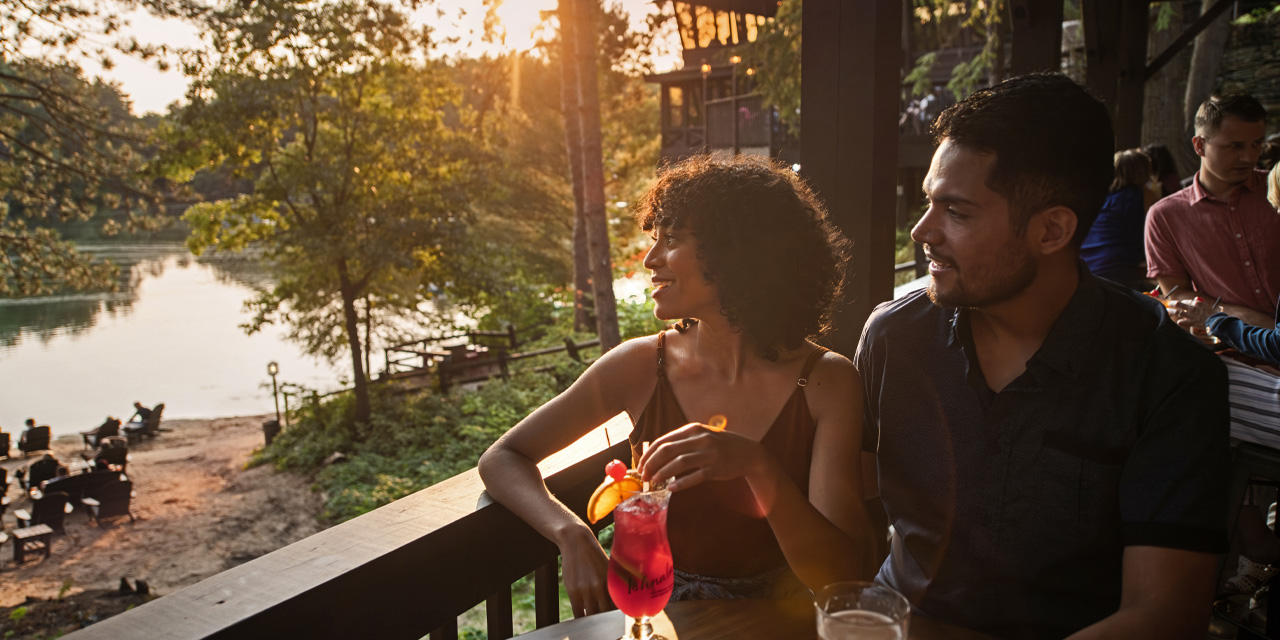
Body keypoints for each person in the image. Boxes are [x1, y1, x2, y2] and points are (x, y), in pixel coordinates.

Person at [856, 73, 1230, 639]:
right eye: (929, 202)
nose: (921, 230)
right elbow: (847, 525)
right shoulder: (893, 339)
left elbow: (1166, 613)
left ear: (1052, 229)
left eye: (956, 212)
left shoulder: (1169, 376)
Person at [479, 155, 873, 618]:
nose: (650, 259)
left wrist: (756, 466)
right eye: (654, 239)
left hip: (782, 621)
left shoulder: (827, 381)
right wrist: (572, 534)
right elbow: (502, 459)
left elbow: (842, 575)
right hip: (659, 615)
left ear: (736, 251)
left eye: (672, 240)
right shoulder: (641, 366)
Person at [1144, 93, 1279, 328]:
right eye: (1235, 146)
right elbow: (1176, 295)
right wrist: (1244, 319)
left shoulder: (1277, 189)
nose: (1249, 157)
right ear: (1199, 145)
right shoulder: (1165, 217)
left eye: (1257, 144)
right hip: (1232, 350)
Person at [1080, 149, 1157, 289]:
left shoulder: (1097, 196)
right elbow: (1157, 238)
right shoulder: (1145, 196)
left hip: (1085, 269)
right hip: (1118, 273)